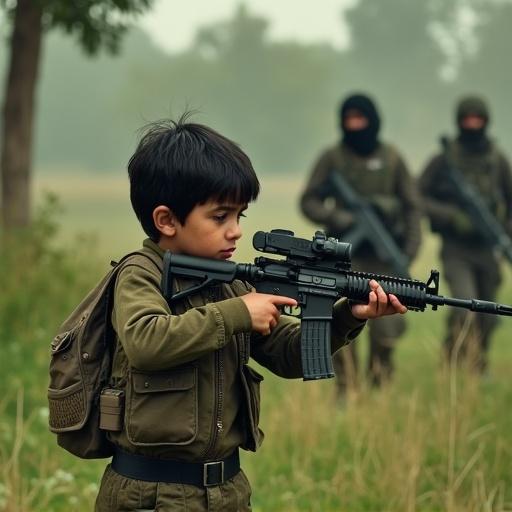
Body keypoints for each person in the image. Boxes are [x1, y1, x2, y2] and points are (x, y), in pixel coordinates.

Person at [94, 116, 408, 511]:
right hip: (151, 494)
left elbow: (290, 354)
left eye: (239, 216)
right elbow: (145, 340)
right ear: (166, 220)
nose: (236, 231)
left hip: (225, 489)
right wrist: (240, 312)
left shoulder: (229, 282)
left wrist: (348, 316)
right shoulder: (142, 272)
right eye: (219, 216)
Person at [300, 93, 421, 393]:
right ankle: (347, 389)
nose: (355, 125)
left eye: (360, 118)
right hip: (343, 258)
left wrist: (408, 251)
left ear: (373, 120)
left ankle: (379, 385)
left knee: (386, 327)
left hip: (383, 259)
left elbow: (412, 207)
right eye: (349, 119)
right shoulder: (333, 157)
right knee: (342, 322)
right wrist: (338, 217)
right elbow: (309, 200)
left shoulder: (392, 158)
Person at [418, 95, 512, 373]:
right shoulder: (443, 160)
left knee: (490, 315)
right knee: (465, 307)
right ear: (459, 121)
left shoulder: (497, 160)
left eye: (477, 119)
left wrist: (503, 234)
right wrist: (452, 217)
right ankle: (452, 360)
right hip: (456, 249)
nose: (472, 124)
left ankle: (477, 365)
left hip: (487, 249)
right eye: (467, 119)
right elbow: (417, 196)